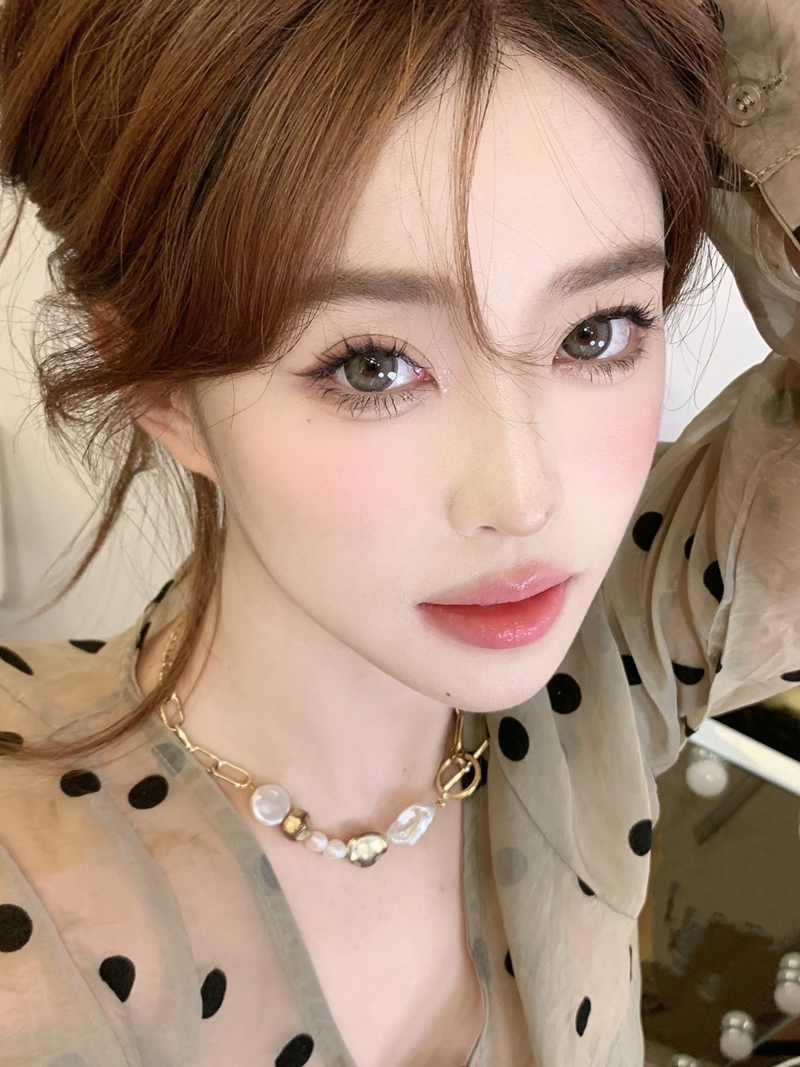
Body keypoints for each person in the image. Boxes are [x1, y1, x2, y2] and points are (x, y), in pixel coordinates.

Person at [0, 0, 797, 1064]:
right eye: (373, 364)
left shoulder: (606, 671)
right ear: (162, 385)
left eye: (593, 332)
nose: (520, 497)